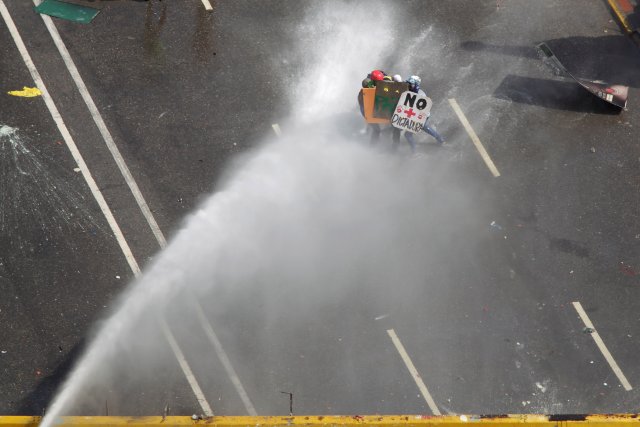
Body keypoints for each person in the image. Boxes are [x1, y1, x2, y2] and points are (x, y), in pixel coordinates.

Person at [358, 69, 387, 144]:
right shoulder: (368, 86)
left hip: (372, 108)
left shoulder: (372, 80)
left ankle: (368, 132)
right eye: (378, 82)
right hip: (367, 110)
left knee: (379, 124)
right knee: (377, 129)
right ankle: (372, 147)